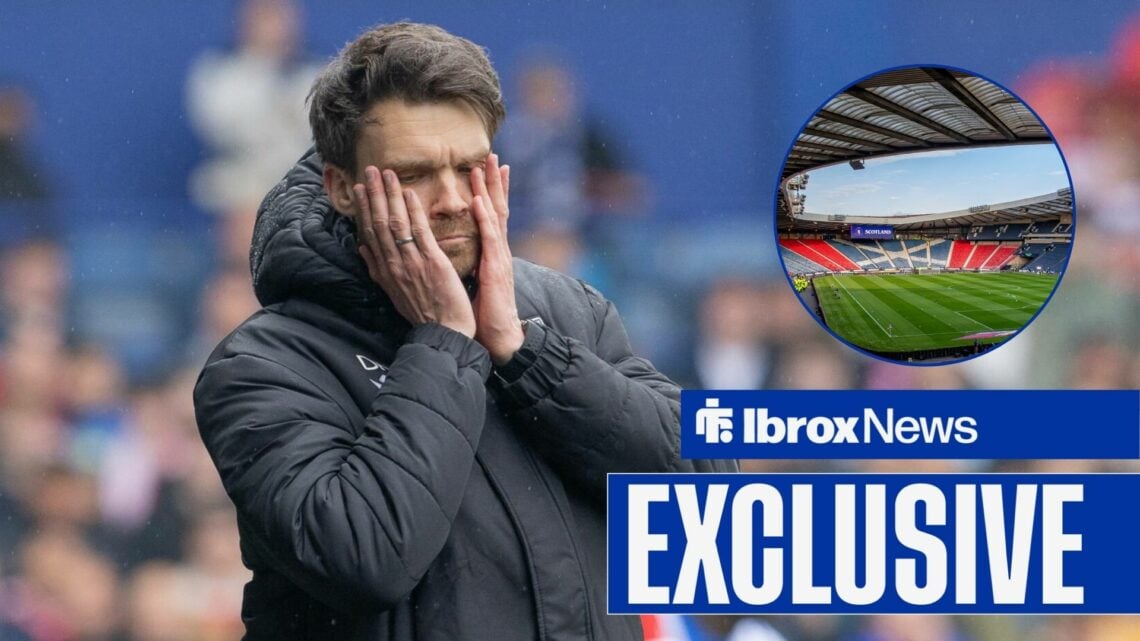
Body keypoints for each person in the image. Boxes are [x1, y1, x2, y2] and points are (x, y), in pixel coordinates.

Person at [193, 22, 735, 641]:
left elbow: (711, 489)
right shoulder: (264, 364)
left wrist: (525, 353)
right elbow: (365, 558)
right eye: (415, 174)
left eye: (471, 166)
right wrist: (444, 339)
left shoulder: (568, 312)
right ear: (342, 187)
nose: (452, 198)